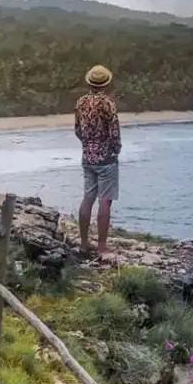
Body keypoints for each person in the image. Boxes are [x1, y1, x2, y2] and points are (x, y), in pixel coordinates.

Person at [74, 65, 120, 253]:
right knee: (105, 200)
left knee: (88, 197)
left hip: (87, 157)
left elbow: (77, 129)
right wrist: (115, 150)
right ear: (106, 84)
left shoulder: (80, 102)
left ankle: (84, 243)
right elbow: (114, 133)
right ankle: (101, 245)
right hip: (106, 158)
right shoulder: (108, 103)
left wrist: (87, 145)